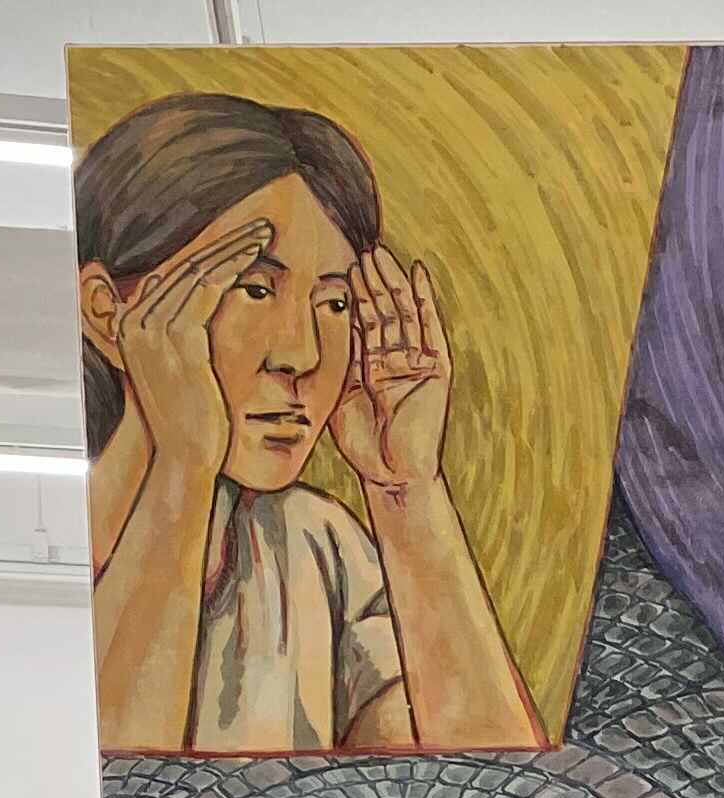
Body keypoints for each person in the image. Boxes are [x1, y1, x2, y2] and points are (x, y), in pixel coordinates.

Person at [77, 90, 546, 755]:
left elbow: (492, 792)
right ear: (107, 313)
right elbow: (113, 793)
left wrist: (405, 490)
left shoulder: (315, 547)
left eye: (334, 303)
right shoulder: (37, 554)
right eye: (254, 290)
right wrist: (181, 465)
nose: (300, 355)